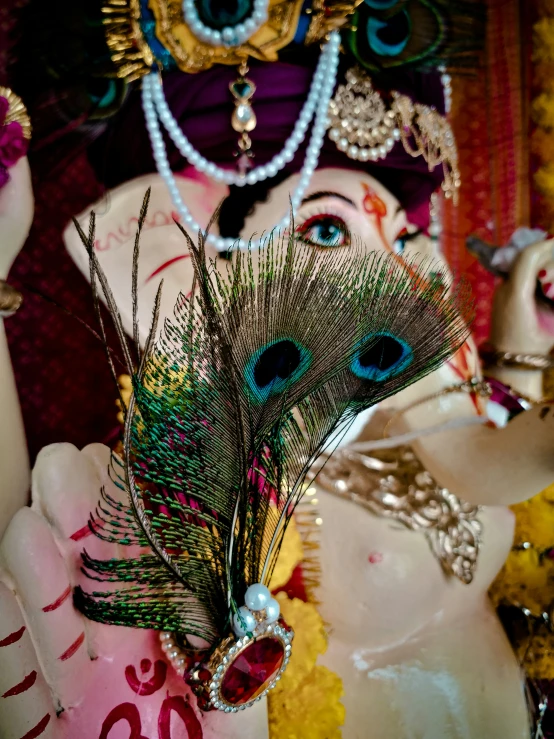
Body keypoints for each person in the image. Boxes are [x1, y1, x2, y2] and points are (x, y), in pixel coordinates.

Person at [1, 1, 554, 736]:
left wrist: (520, 351)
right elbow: (19, 557)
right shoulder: (205, 493)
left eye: (406, 233)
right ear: (189, 269)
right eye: (327, 229)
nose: (407, 276)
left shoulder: (410, 413)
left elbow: (485, 459)